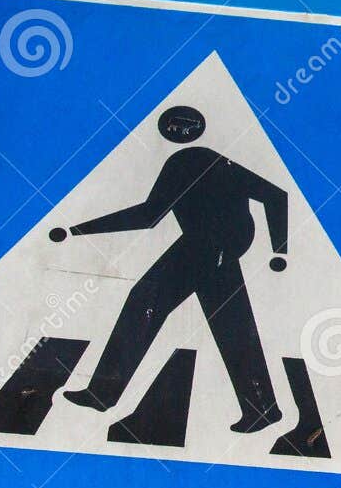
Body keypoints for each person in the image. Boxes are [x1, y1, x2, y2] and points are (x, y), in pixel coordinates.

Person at [51, 105, 288, 433]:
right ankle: (263, 407)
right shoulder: (216, 161)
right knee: (231, 322)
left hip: (205, 248)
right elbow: (275, 197)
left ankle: (103, 393)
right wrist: (276, 250)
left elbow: (148, 215)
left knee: (145, 300)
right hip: (215, 249)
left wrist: (79, 230)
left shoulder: (187, 162)